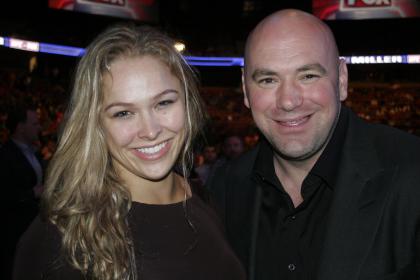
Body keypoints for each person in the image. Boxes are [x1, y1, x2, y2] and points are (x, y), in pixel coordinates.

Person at [13, 24, 246, 280]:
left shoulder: (205, 197)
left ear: (188, 103)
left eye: (164, 102)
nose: (150, 130)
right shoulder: (62, 234)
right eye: (123, 113)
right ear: (95, 124)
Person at [208, 9, 420, 280]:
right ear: (246, 90)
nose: (288, 100)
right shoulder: (224, 187)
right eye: (268, 79)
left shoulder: (412, 171)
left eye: (308, 75)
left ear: (341, 79)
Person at [0, 103, 43, 279]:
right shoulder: (5, 156)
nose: (39, 127)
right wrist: (33, 193)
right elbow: (4, 196)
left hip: (32, 226)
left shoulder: (33, 152)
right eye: (34, 124)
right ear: (20, 127)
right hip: (14, 233)